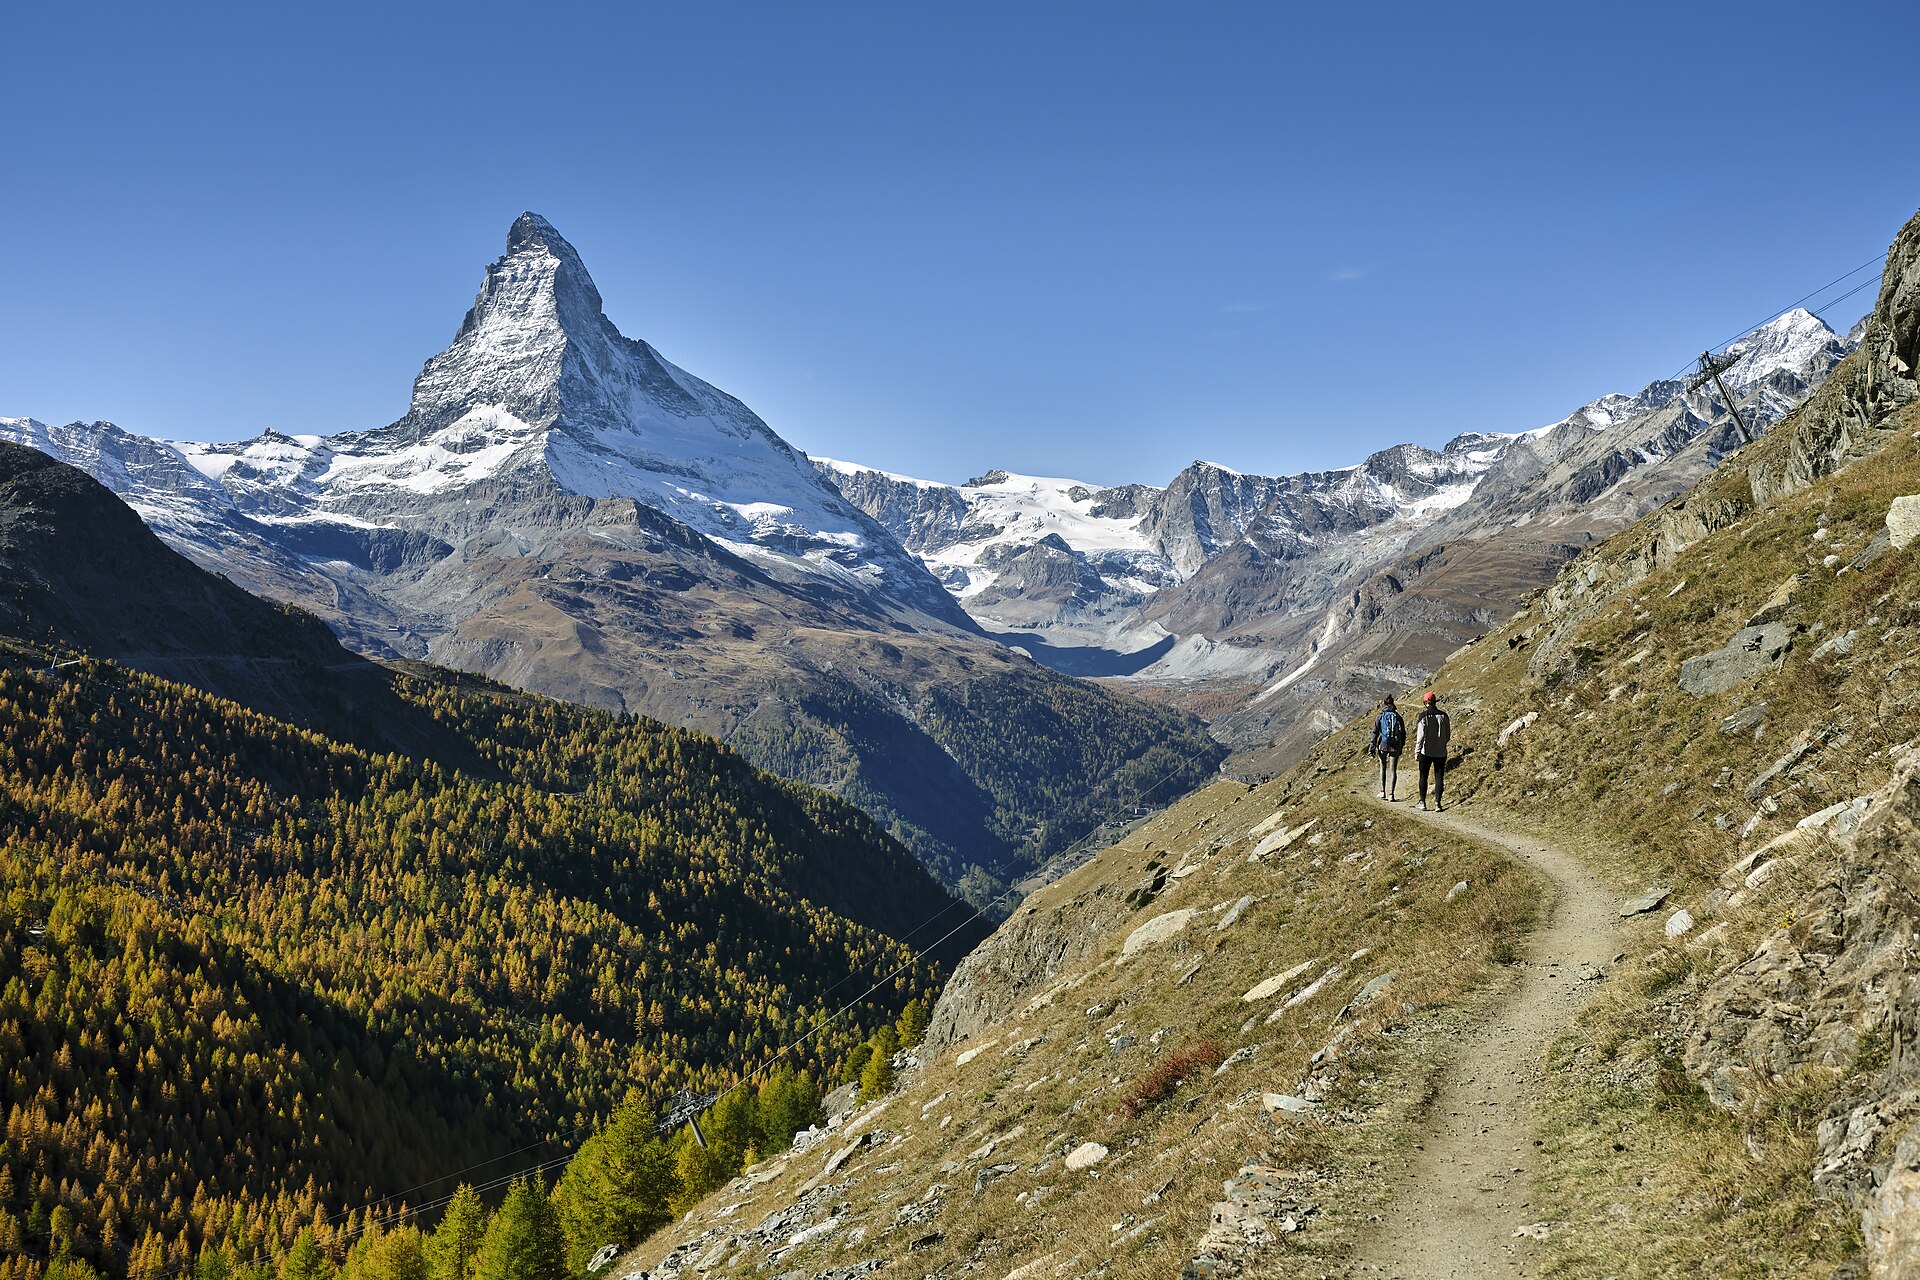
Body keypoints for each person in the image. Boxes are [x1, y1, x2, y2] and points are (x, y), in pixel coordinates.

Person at [1415, 691, 1451, 811]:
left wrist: (1417, 751)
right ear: (1435, 702)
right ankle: (1437, 804)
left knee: (1423, 776)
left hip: (1426, 751)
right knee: (1439, 777)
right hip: (1441, 752)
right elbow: (1447, 736)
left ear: (1425, 702)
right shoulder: (1444, 715)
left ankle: (1422, 802)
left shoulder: (1423, 716)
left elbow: (1420, 736)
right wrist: (1441, 743)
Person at [1368, 696, 1404, 800]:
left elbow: (1375, 733)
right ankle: (1391, 794)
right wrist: (1401, 745)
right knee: (1393, 770)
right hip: (1395, 746)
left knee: (1382, 768)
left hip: (1383, 745)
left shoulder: (1380, 716)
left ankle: (1382, 791)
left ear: (1384, 704)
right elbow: (1403, 733)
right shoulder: (1397, 716)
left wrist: (1372, 747)